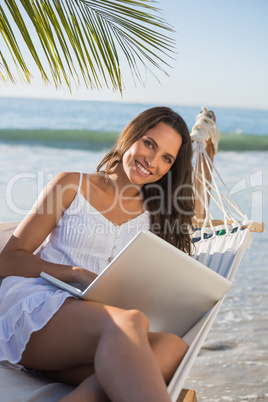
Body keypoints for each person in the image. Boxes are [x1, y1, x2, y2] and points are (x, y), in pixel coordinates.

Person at [0, 106, 194, 402]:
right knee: (131, 322)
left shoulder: (157, 215)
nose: (152, 161)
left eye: (166, 158)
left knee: (174, 347)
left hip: (97, 328)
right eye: (149, 143)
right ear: (130, 136)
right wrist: (74, 274)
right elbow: (9, 259)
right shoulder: (72, 185)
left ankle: (85, 392)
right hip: (40, 307)